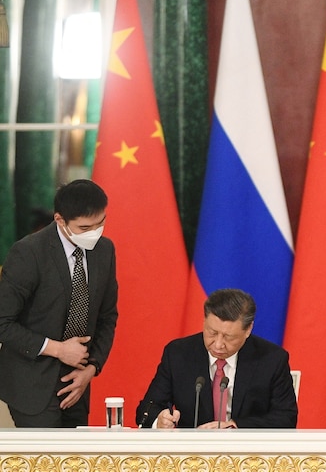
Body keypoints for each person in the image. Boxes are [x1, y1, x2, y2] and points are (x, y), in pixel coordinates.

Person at [0, 179, 118, 427]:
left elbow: (107, 316)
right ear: (60, 220)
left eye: (100, 224)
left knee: (76, 462)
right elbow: (3, 322)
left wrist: (92, 368)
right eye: (85, 227)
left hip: (78, 383)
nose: (94, 233)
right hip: (31, 383)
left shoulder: (104, 250)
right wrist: (58, 349)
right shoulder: (29, 253)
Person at [136, 288, 298, 428]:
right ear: (204, 321)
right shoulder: (178, 353)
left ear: (248, 329)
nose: (218, 344)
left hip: (249, 455)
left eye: (229, 337)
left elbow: (286, 418)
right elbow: (147, 409)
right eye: (212, 333)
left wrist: (234, 425)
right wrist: (160, 420)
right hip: (191, 455)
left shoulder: (271, 359)